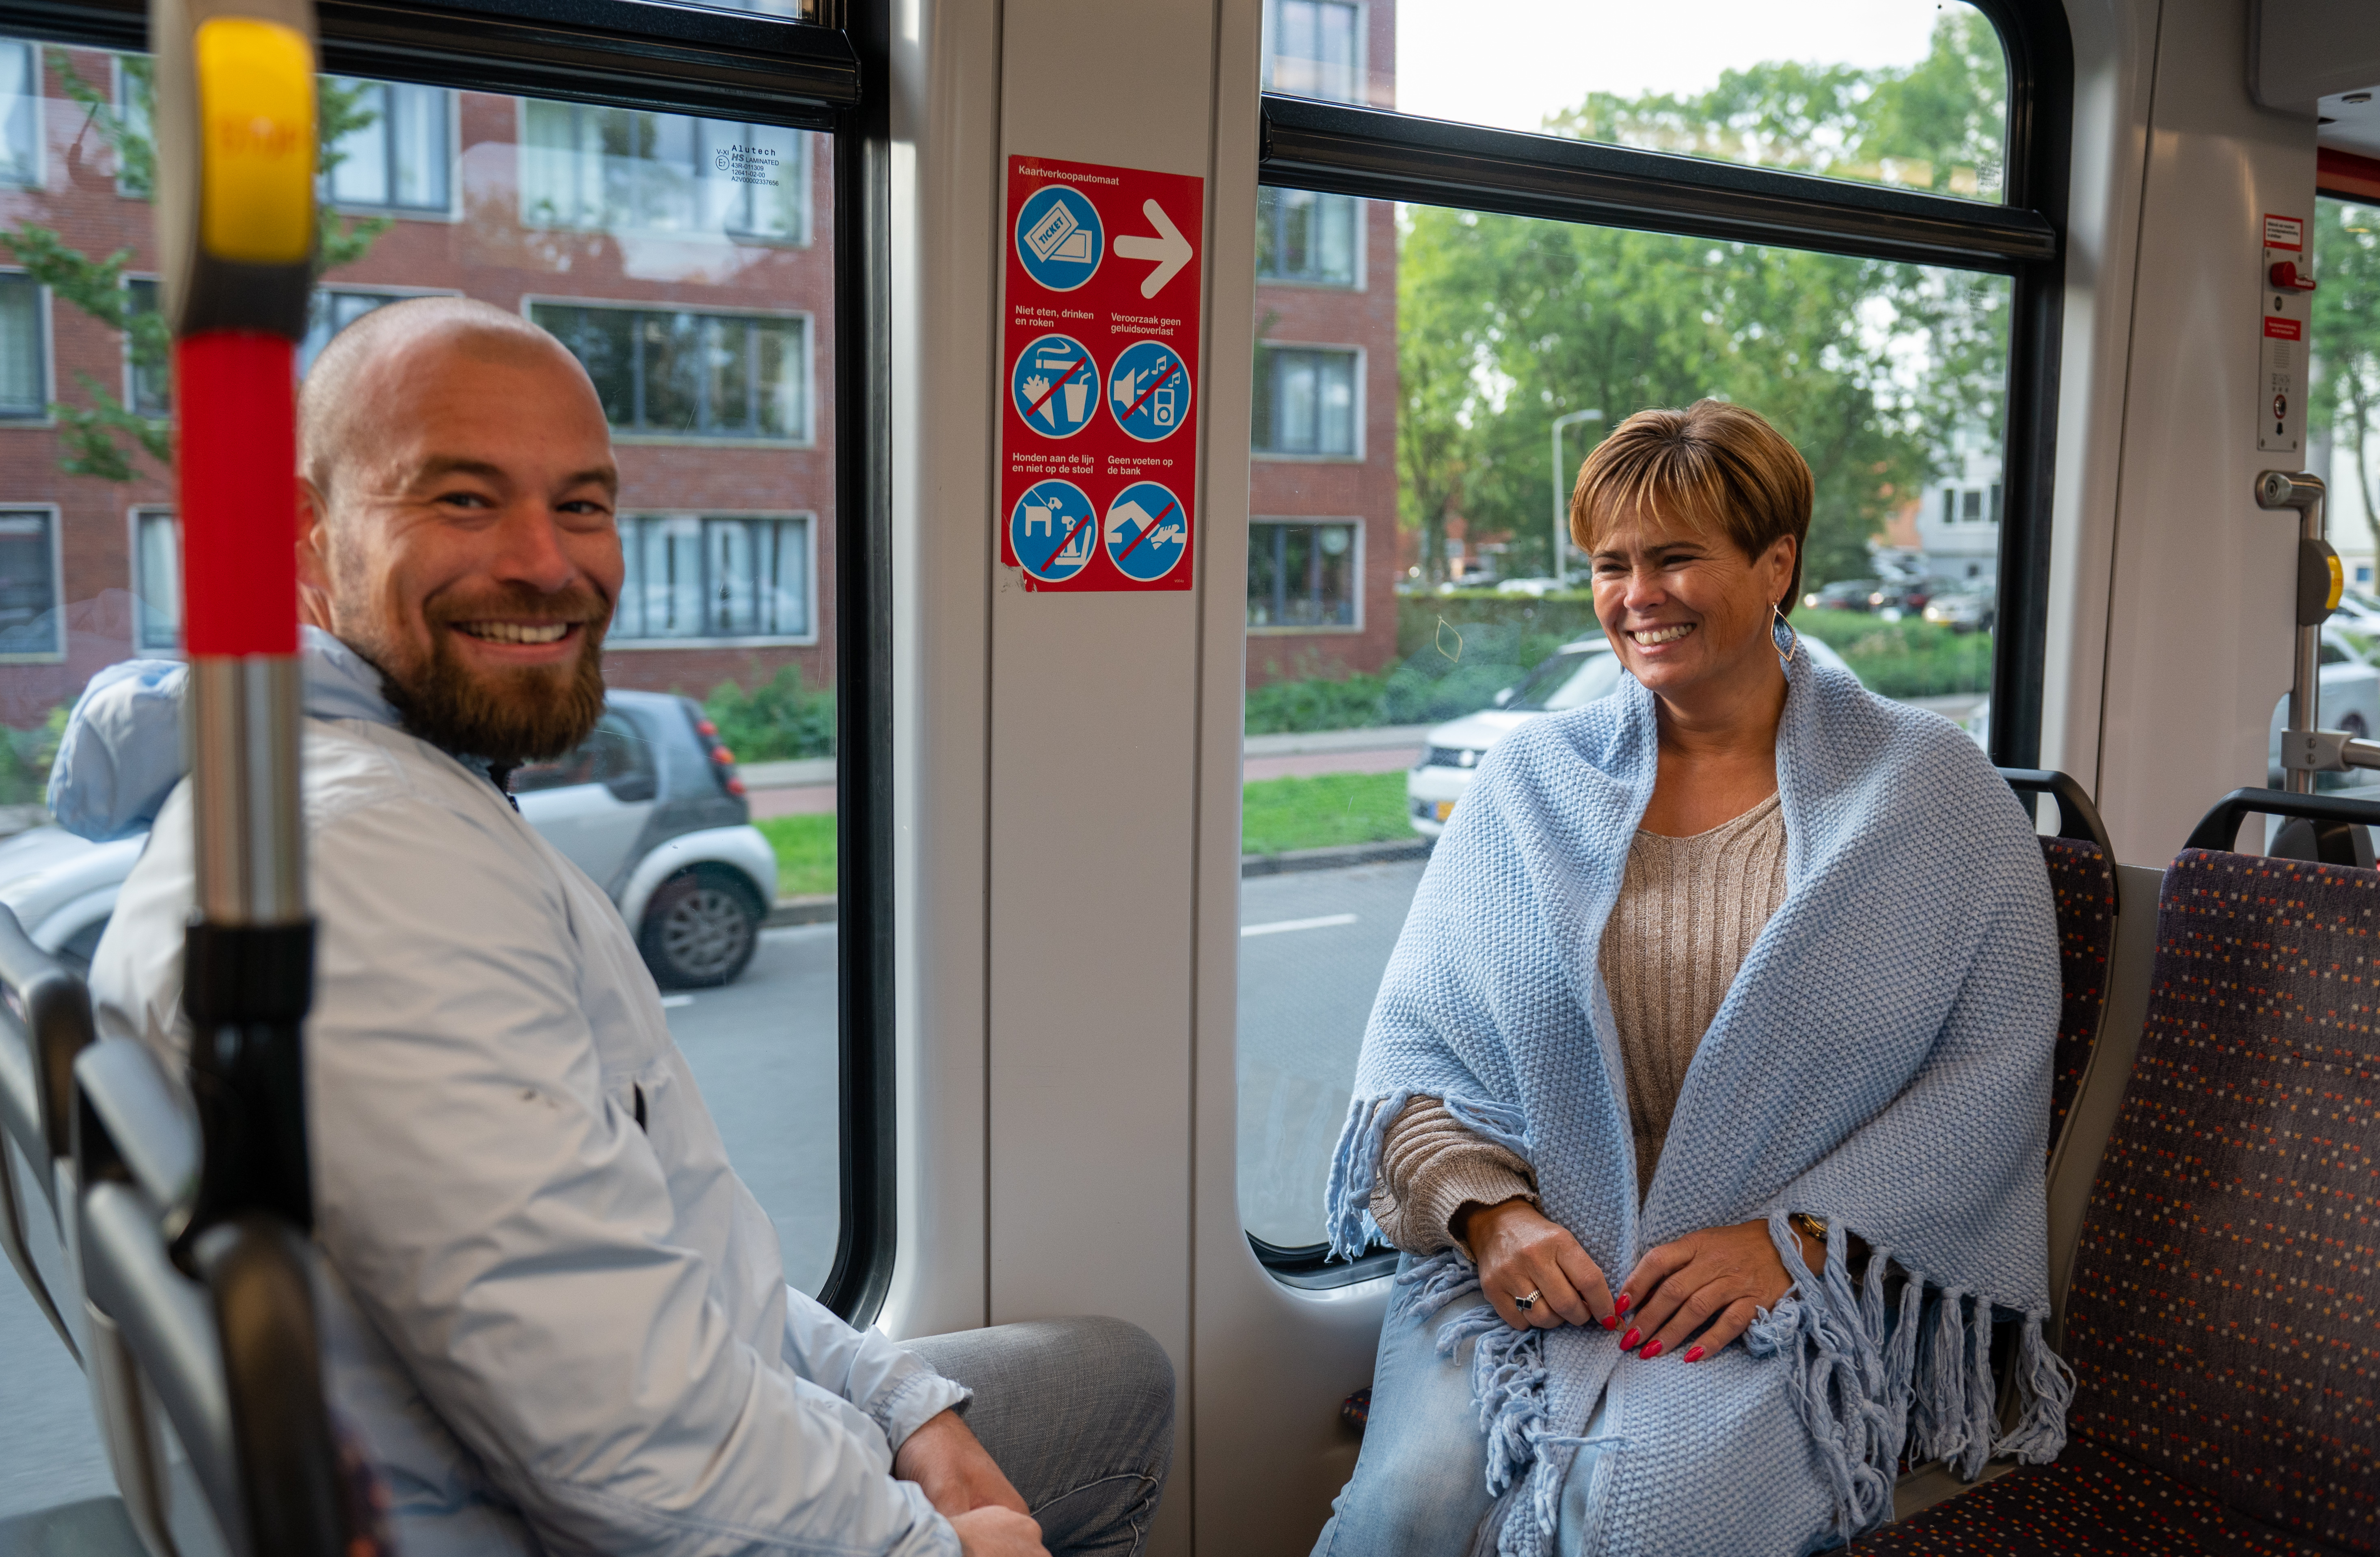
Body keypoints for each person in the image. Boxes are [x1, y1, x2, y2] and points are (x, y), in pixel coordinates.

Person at [60, 296, 1173, 1557]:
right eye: (462, 498)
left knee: (1106, 1371)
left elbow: (657, 1254)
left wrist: (897, 1397)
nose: (547, 562)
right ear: (305, 536)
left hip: (684, 1420)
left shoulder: (390, 792)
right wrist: (928, 1547)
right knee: (1116, 1389)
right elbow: (637, 1450)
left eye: (583, 504)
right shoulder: (368, 862)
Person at [1308, 402, 2069, 1557]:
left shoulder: (1929, 789)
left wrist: (1800, 1241)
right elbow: (1415, 1061)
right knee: (1403, 1510)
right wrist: (1490, 1217)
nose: (1637, 596)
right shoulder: (1527, 784)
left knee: (1630, 1517)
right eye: (1610, 565)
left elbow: (1991, 1076)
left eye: (1674, 557)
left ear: (1777, 565)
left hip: (1799, 1285)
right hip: (1529, 1265)